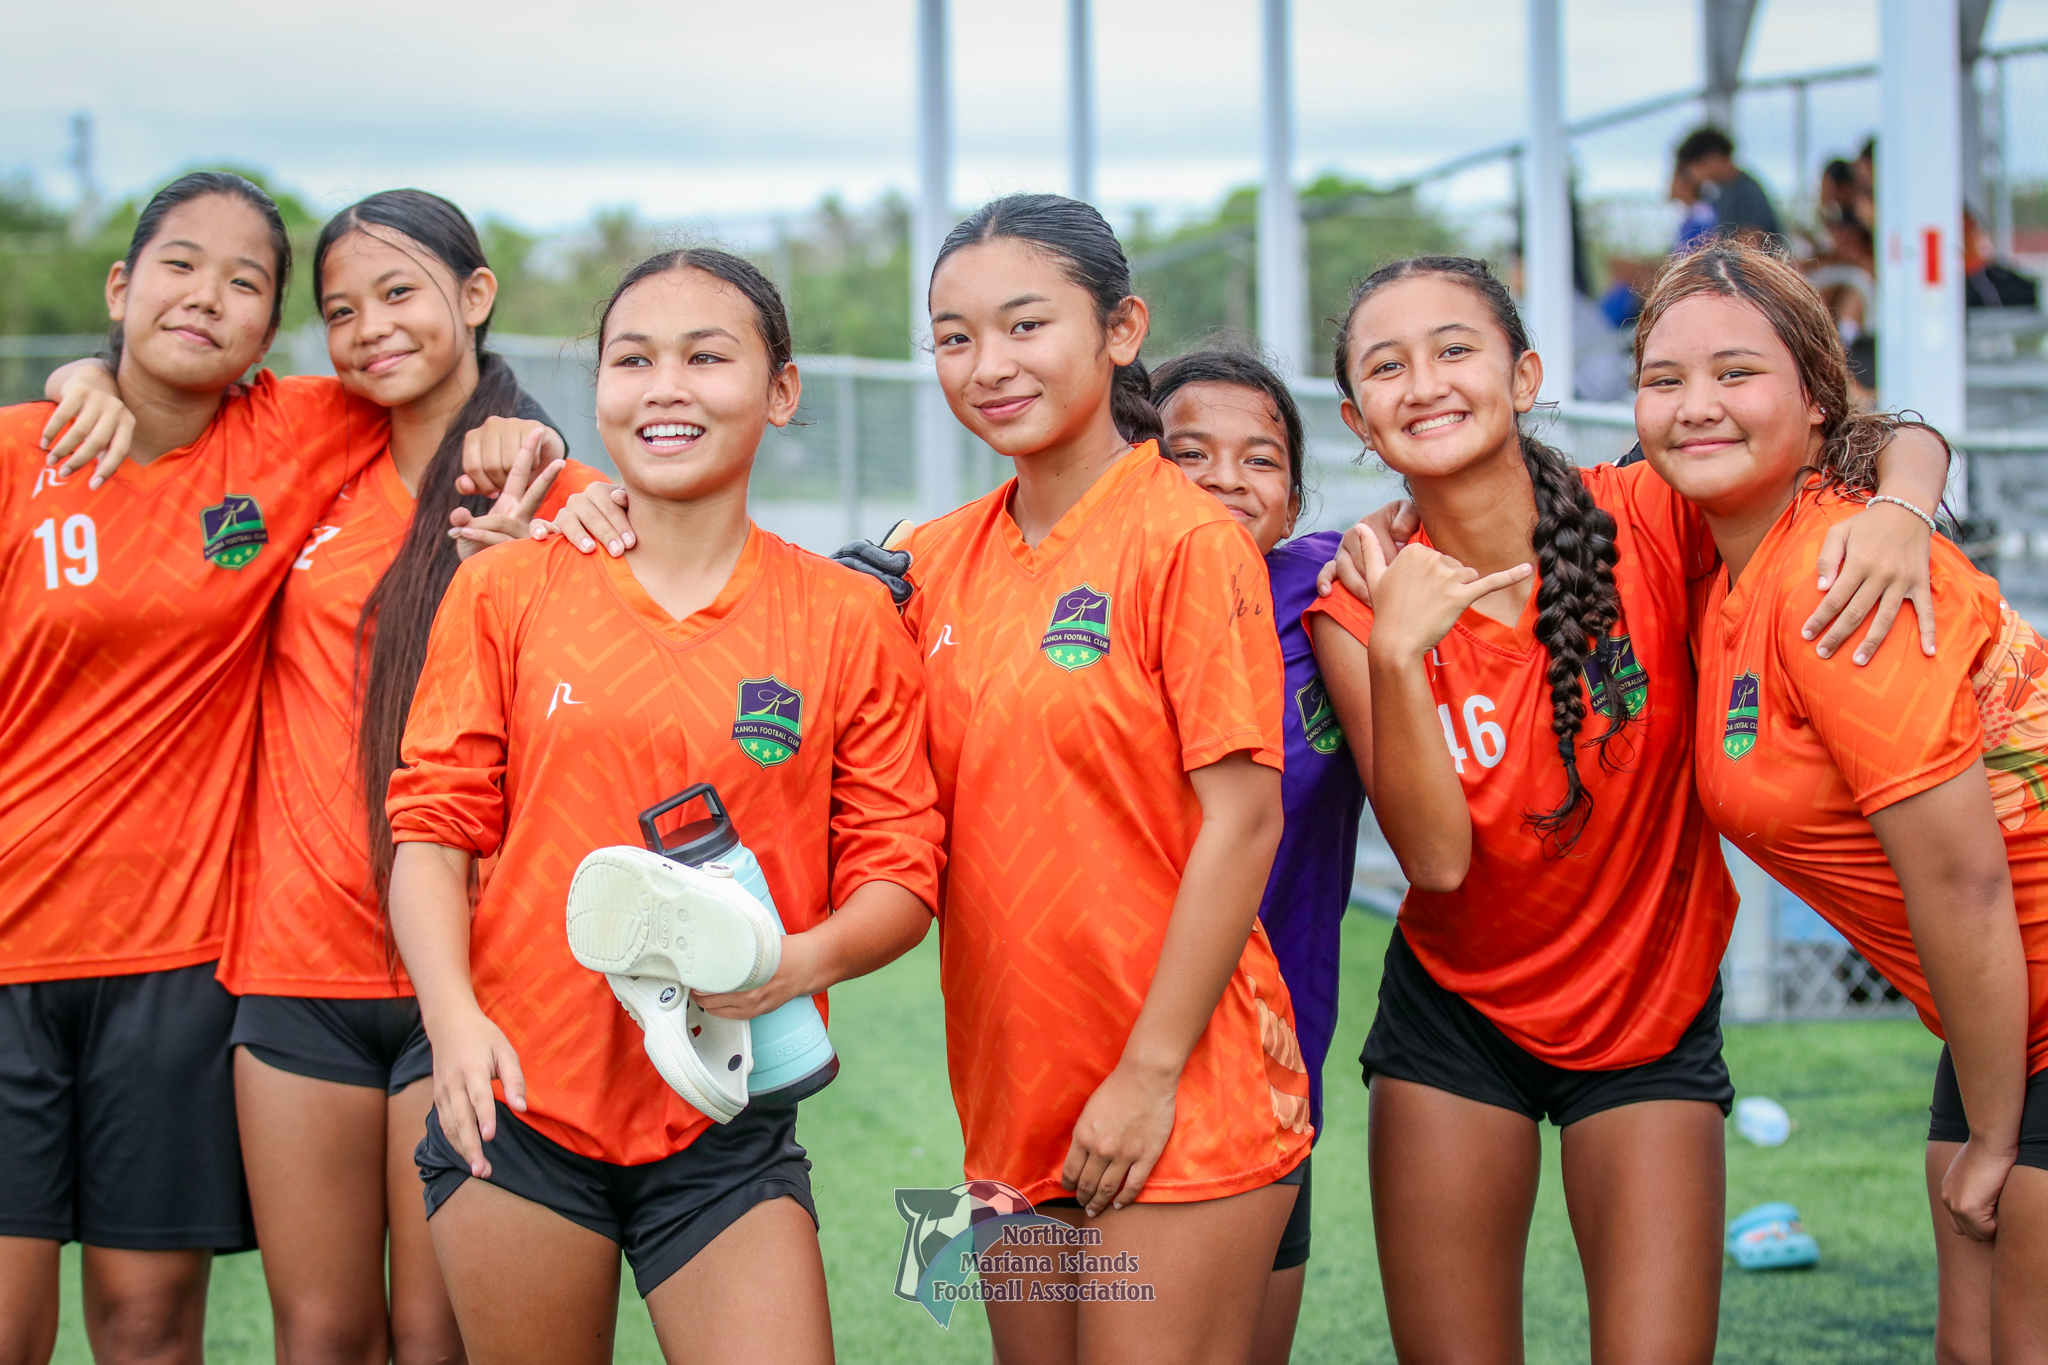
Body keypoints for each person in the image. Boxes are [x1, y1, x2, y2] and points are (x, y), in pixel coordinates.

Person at [1301, 253, 1948, 1364]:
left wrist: (1899, 510)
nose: (1425, 384)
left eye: (1454, 350)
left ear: (1525, 374)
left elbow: (1891, 434)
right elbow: (1437, 860)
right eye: (1387, 369)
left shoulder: (1648, 515)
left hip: (1647, 1015)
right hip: (1455, 1016)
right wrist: (1401, 653)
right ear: (1360, 422)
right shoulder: (1355, 599)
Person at [36, 188, 598, 1365]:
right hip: (290, 967)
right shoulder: (320, 449)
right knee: (324, 1334)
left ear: (475, 295)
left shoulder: (536, 491)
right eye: (340, 309)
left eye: (399, 294)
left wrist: (536, 459)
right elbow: (157, 409)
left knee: (435, 1335)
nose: (371, 329)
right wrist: (84, 381)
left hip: (467, 971)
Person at [384, 248, 944, 1365]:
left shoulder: (840, 616)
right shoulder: (508, 586)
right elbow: (432, 834)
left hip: (723, 1116)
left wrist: (789, 968)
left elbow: (901, 872)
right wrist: (452, 1023)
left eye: (706, 356)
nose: (665, 387)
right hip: (520, 1102)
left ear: (780, 391)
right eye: (632, 359)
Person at [1633, 240, 2048, 1365]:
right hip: (2000, 1023)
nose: (1695, 405)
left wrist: (1997, 1133)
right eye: (1662, 379)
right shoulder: (1727, 553)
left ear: (1815, 404)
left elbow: (1961, 884)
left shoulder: (1834, 573)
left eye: (1734, 373)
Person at [0, 171, 389, 1365]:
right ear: (120, 287)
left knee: (148, 1324)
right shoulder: (20, 454)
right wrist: (74, 379)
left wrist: (518, 427)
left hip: (178, 970)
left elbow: (438, 395)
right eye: (178, 264)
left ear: (269, 336)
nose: (206, 295)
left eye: (245, 282)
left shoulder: (296, 432)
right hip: (7, 951)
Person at [1150, 348, 1367, 1365]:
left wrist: (1901, 488)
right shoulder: (1074, 595)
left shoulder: (1329, 588)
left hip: (1270, 1081)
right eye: (1186, 452)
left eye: (1260, 460)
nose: (1226, 481)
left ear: (1290, 502)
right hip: (1089, 1070)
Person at [1671, 126, 1783, 253]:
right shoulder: (1721, 192)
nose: (1693, 176)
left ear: (1713, 158)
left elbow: (1749, 248)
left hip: (1753, 271)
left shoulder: (1747, 190)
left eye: (1695, 167)